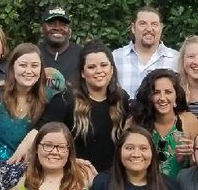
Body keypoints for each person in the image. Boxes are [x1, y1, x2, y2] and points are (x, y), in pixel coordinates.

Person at [41, 42, 131, 175]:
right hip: (75, 177)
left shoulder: (121, 99)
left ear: (112, 69)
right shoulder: (66, 100)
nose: (99, 71)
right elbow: (41, 134)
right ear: (82, 73)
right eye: (91, 67)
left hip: (112, 179)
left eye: (104, 65)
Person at [0, 43, 53, 163]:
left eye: (34, 66)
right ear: (12, 67)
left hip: (34, 166)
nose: (29, 71)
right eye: (23, 65)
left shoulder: (48, 96)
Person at [130, 68, 198, 178]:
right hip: (147, 188)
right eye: (156, 93)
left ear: (176, 96)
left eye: (168, 92)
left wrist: (195, 153)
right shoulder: (136, 122)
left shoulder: (189, 121)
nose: (162, 98)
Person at [113, 6, 179, 97]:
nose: (149, 29)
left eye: (154, 24)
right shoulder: (115, 58)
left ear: (161, 28)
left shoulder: (176, 59)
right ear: (133, 28)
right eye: (143, 23)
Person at [37, 7, 84, 88]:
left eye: (63, 24)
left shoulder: (82, 55)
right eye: (51, 24)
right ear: (42, 29)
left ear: (70, 31)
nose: (57, 28)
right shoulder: (33, 54)